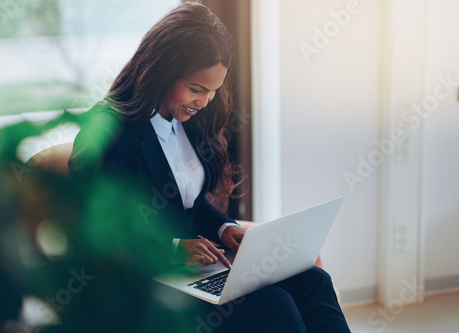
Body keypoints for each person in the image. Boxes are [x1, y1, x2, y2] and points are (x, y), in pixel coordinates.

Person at [69, 2, 351, 332]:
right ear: (163, 69)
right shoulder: (108, 132)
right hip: (150, 282)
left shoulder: (188, 120)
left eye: (212, 92)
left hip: (200, 270)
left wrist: (224, 228)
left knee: (313, 279)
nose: (204, 102)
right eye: (196, 89)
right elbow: (93, 230)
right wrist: (175, 248)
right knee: (274, 304)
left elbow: (188, 202)